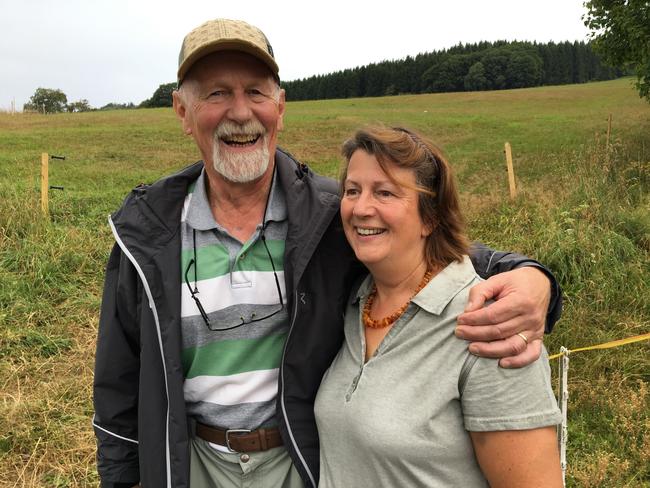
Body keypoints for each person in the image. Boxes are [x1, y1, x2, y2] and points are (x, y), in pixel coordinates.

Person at [92, 18, 562, 488]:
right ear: (182, 111)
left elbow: (426, 246)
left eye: (256, 92)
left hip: (298, 459)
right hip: (191, 462)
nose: (240, 112)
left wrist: (532, 278)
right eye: (216, 93)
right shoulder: (147, 233)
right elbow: (119, 382)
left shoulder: (328, 216)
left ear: (280, 106)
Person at [314, 126, 563, 487]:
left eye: (384, 193)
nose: (361, 208)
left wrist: (539, 280)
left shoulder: (491, 327)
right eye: (352, 191)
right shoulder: (355, 301)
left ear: (430, 217)